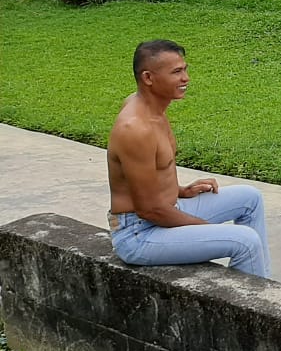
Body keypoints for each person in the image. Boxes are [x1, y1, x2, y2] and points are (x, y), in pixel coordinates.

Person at [107, 40, 271, 278]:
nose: (186, 78)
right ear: (148, 78)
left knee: (250, 198)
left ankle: (263, 282)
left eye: (185, 69)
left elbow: (148, 179)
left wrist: (181, 190)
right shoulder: (134, 129)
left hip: (166, 210)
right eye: (176, 72)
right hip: (139, 234)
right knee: (244, 241)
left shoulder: (152, 108)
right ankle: (256, 299)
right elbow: (149, 210)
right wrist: (210, 231)